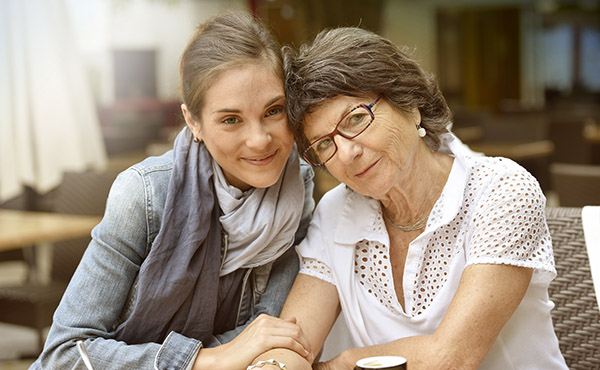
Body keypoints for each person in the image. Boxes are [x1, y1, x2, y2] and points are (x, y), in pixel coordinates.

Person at [249, 27, 568, 370]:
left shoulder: (501, 190)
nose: (346, 152)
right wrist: (275, 365)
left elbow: (453, 358)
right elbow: (293, 342)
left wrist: (343, 363)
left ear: (410, 104)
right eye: (324, 144)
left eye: (356, 119)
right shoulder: (336, 211)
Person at [31, 11, 315, 370]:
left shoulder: (295, 189)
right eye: (231, 119)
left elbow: (266, 334)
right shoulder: (145, 194)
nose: (259, 140)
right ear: (193, 121)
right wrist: (207, 359)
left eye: (273, 111)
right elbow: (65, 354)